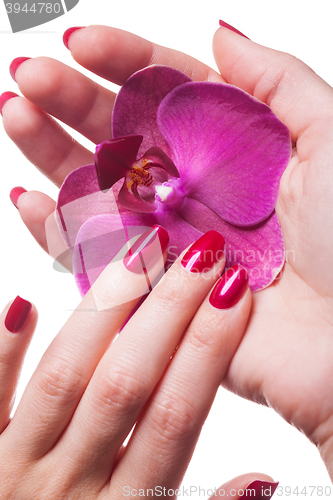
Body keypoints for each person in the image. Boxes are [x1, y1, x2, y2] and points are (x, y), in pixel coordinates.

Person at [0, 22, 332, 498]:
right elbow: (132, 310)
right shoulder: (95, 210)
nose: (156, 186)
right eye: (136, 186)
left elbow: (248, 131)